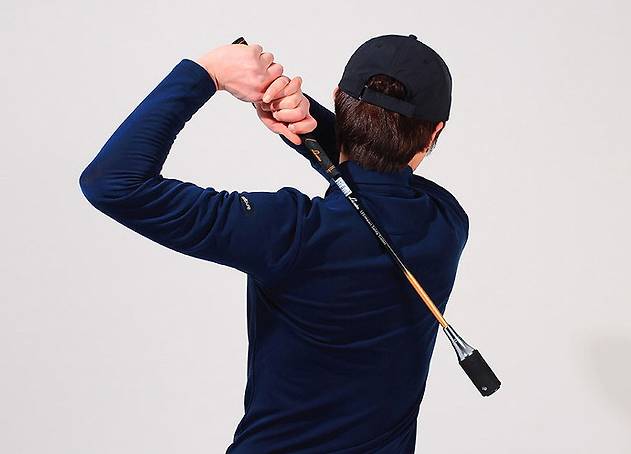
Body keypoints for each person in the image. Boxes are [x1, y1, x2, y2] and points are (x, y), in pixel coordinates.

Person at [79, 33, 468, 453]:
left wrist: (208, 73)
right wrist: (307, 123)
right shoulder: (446, 223)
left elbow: (113, 183)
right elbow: (378, 183)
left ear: (338, 98)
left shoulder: (289, 232)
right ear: (435, 132)